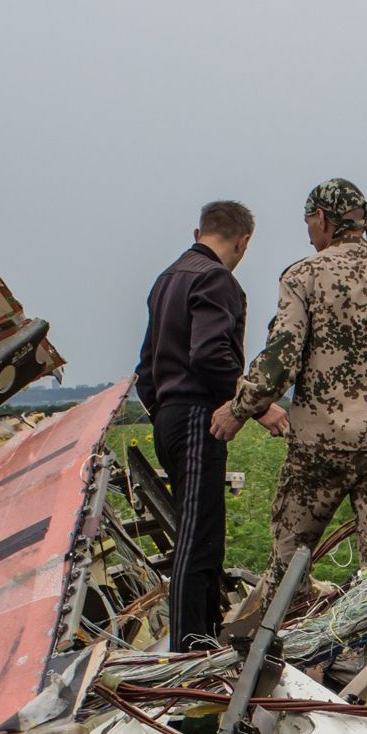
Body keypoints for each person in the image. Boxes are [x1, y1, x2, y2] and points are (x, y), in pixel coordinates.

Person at [212, 178, 367, 576]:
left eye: (308, 223)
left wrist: (239, 410)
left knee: (290, 564)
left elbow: (281, 359)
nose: (309, 235)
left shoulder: (302, 276)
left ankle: (281, 632)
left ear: (322, 219)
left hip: (319, 447)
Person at [133, 200, 253, 651]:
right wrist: (252, 405)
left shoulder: (167, 278)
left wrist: (163, 409)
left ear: (198, 230)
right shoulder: (216, 278)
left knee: (199, 531)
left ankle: (205, 636)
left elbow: (146, 366)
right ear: (243, 241)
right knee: (198, 539)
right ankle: (190, 645)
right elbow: (210, 354)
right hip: (198, 414)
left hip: (166, 414)